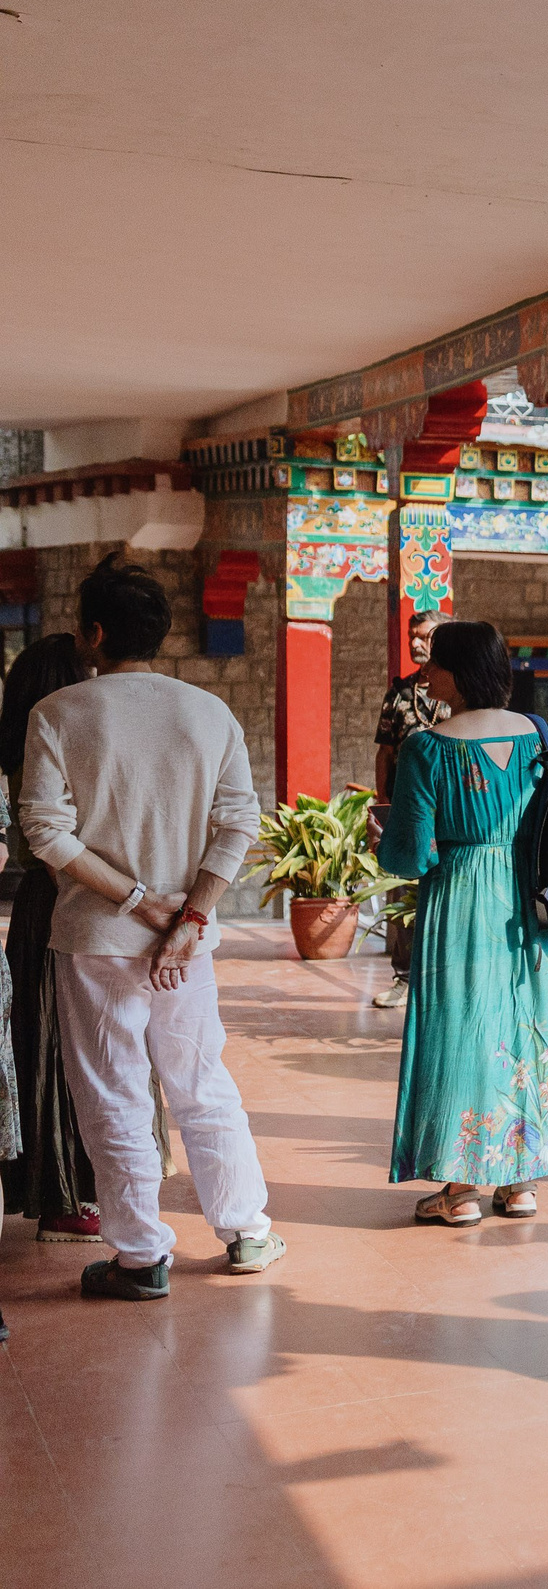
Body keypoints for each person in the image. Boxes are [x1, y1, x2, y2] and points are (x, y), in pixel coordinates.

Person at [20, 553, 278, 1300]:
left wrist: (138, 901)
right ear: (161, 634)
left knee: (113, 1090)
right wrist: (190, 914)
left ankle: (139, 1256)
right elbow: (238, 826)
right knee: (201, 1079)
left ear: (92, 632)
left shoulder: (59, 714)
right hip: (187, 944)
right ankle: (247, 1229)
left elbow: (47, 833)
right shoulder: (210, 714)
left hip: (98, 939)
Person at [377, 620, 548, 1226]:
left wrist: (381, 842)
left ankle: (459, 1190)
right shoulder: (540, 736)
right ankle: (520, 1184)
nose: (426, 675)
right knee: (527, 1022)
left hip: (459, 899)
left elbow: (411, 853)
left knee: (459, 1027)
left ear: (458, 674)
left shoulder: (427, 746)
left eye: (434, 665)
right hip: (531, 900)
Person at [0, 635, 105, 1242]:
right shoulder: (43, 753)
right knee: (65, 1050)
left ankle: (67, 1188)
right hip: (66, 902)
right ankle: (67, 1195)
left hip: (47, 906)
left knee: (56, 1047)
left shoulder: (21, 750)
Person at [371, 609, 453, 1010]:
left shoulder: (460, 693)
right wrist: (384, 804)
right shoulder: (399, 694)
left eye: (425, 636)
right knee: (404, 890)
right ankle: (404, 979)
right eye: (412, 637)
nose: (416, 644)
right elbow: (385, 753)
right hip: (407, 809)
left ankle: (444, 978)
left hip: (451, 812)